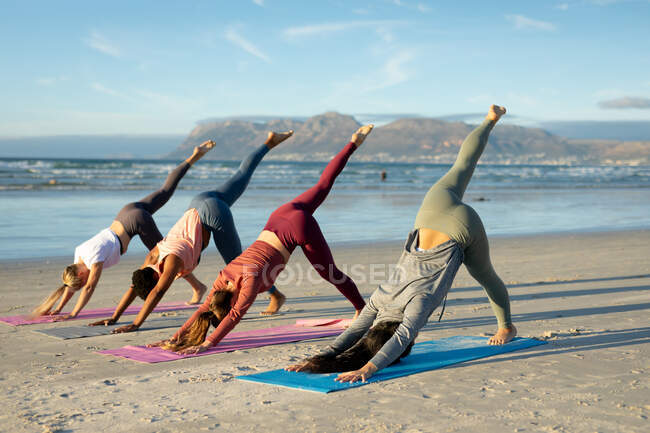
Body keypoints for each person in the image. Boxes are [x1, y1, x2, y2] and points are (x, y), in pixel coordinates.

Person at [287, 105, 517, 383]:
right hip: (430, 213)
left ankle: (506, 327)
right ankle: (490, 120)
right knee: (462, 165)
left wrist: (368, 368)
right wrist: (322, 357)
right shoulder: (380, 298)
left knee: (486, 276)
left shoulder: (416, 305)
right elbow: (353, 333)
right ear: (377, 328)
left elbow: (403, 335)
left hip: (460, 229)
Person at [147, 125, 374, 354]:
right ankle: (354, 142)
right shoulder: (222, 279)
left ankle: (362, 309)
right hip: (279, 215)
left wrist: (208, 343)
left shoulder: (249, 282)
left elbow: (234, 315)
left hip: (297, 229)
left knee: (329, 272)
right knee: (323, 185)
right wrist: (174, 339)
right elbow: (204, 310)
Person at [102, 131, 294, 333]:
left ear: (156, 278)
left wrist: (135, 324)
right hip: (199, 202)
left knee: (239, 265)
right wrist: (114, 317)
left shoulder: (171, 262)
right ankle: (268, 143)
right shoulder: (150, 261)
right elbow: (135, 287)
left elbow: (157, 292)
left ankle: (275, 295)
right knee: (241, 175)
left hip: (212, 213)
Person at [31, 141, 216, 319]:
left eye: (83, 280)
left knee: (165, 256)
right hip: (126, 212)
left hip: (137, 222)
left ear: (80, 274)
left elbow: (89, 288)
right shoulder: (78, 255)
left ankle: (198, 286)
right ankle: (193, 156)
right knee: (165, 190)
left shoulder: (94, 261)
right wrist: (58, 308)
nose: (85, 282)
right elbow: (69, 286)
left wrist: (73, 314)